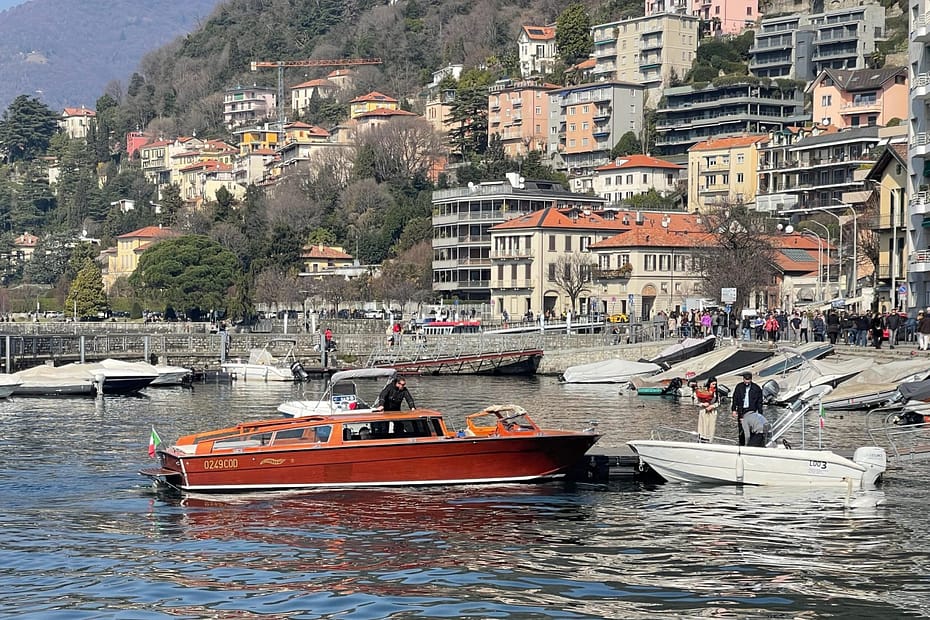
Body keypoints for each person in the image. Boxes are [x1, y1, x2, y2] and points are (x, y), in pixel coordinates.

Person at [731, 371, 763, 446]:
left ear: (751, 379)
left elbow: (759, 402)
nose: (747, 381)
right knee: (741, 430)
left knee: (751, 429)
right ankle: (741, 445)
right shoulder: (739, 387)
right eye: (745, 379)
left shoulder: (756, 388)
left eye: (748, 380)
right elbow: (735, 398)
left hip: (752, 411)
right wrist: (733, 410)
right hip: (742, 410)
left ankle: (750, 445)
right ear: (743, 379)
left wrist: (760, 413)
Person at [696, 378, 719, 443]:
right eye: (713, 384)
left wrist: (712, 406)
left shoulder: (716, 392)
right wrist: (703, 404)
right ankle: (701, 439)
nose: (714, 386)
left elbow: (718, 402)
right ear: (709, 384)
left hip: (712, 411)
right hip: (703, 411)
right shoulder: (703, 390)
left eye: (715, 384)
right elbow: (697, 402)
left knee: (711, 427)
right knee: (703, 426)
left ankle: (710, 440)